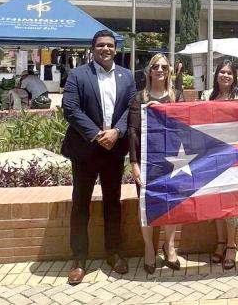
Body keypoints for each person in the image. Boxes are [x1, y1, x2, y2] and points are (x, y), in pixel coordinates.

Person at [61, 30, 136, 285]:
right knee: (80, 204)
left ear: (115, 49)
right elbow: (70, 109)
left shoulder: (126, 76)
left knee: (112, 203)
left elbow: (131, 107)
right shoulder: (78, 75)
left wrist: (117, 132)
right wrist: (96, 134)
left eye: (110, 45)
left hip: (114, 150)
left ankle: (113, 253)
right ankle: (79, 260)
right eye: (101, 45)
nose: (106, 49)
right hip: (85, 151)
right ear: (93, 49)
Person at [128, 53, 184, 275]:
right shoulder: (138, 98)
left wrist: (164, 111)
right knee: (146, 206)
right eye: (155, 66)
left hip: (172, 160)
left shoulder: (176, 96)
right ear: (149, 71)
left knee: (172, 205)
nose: (160, 69)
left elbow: (183, 126)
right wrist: (134, 164)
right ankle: (149, 248)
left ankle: (169, 246)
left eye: (164, 66)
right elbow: (131, 132)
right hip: (146, 160)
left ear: (169, 70)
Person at [204, 60, 238, 270]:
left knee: (231, 202)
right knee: (215, 200)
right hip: (211, 157)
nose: (225, 76)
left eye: (229, 73)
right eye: (222, 72)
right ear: (216, 75)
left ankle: (231, 245)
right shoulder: (206, 96)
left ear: (234, 77)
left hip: (233, 157)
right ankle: (220, 242)